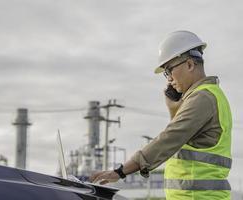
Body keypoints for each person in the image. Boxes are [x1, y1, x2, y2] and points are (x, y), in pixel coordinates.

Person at [90, 30, 232, 200]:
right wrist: (174, 109)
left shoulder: (202, 97)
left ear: (189, 65)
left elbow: (170, 138)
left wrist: (119, 172)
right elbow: (182, 138)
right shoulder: (210, 95)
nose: (169, 79)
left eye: (169, 70)